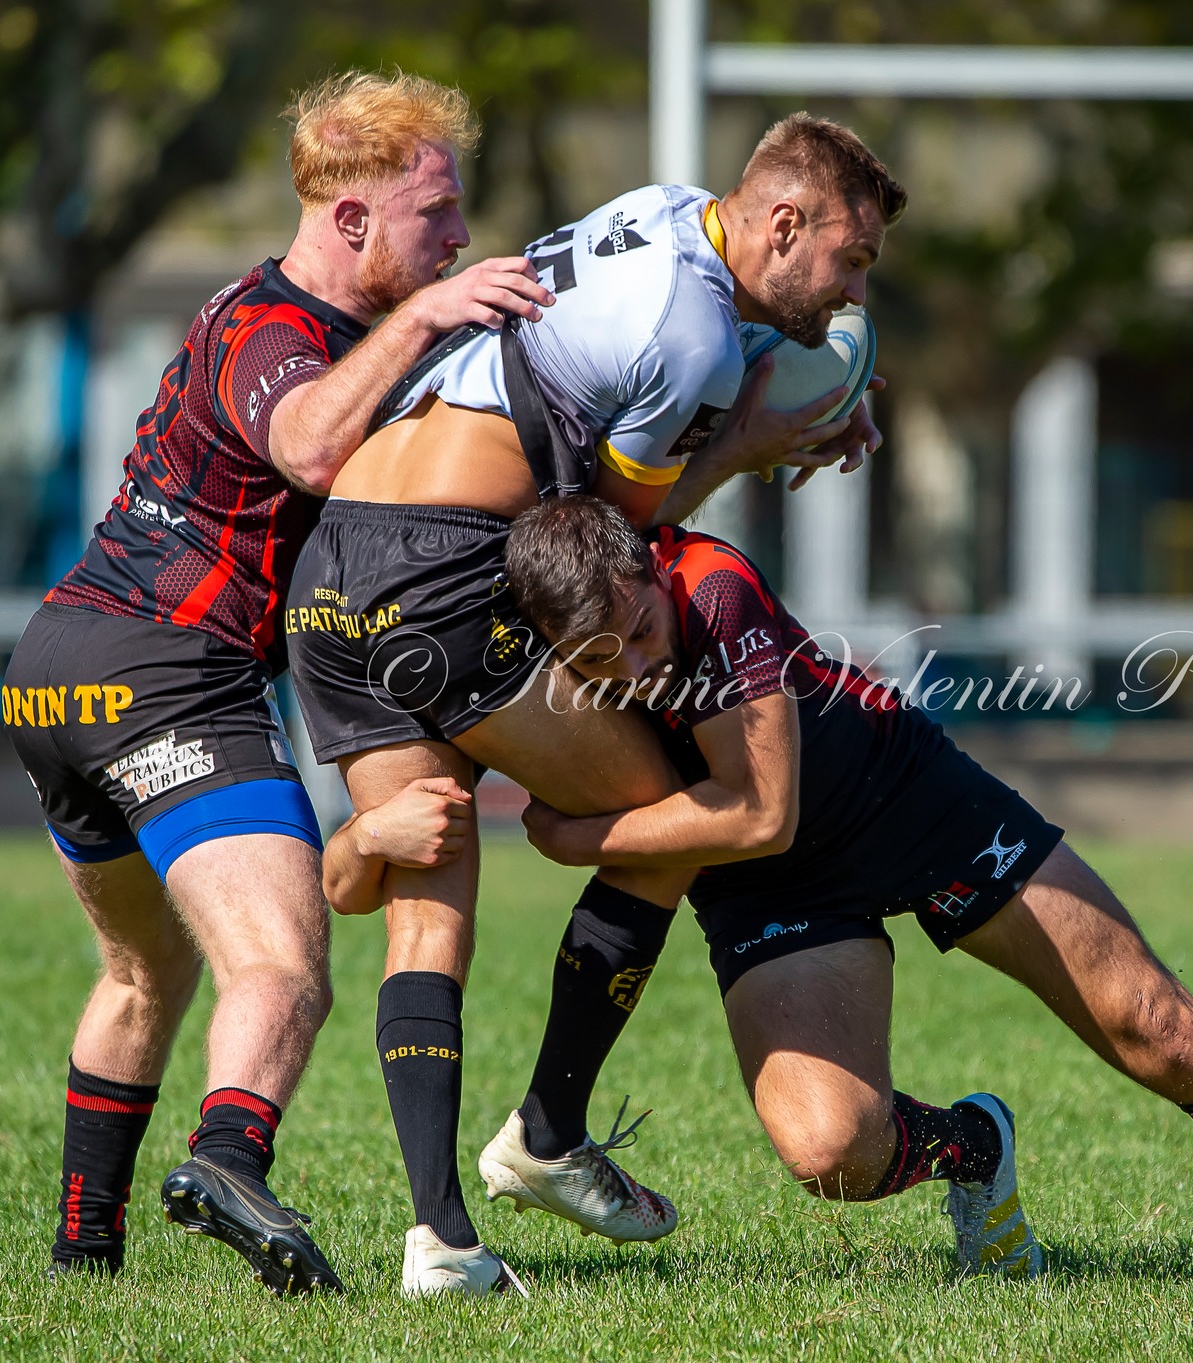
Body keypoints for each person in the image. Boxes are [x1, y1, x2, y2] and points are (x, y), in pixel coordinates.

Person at [473, 495, 1193, 1296]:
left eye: (645, 633)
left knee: (1160, 1030)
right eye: (606, 664)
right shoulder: (554, 635)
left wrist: (575, 835)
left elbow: (760, 812)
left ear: (649, 567)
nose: (643, 669)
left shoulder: (712, 584)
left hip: (903, 799)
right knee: (830, 1152)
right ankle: (977, 1146)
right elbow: (758, 844)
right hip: (768, 885)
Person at [291, 113, 893, 1298]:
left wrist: (757, 406)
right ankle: (549, 1134)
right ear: (783, 225)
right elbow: (620, 539)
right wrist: (758, 442)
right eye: (851, 259)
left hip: (334, 569)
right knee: (675, 821)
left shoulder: (661, 210)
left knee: (429, 898)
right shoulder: (695, 340)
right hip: (443, 572)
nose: (852, 286)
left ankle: (441, 1245)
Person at [2, 71, 552, 1293]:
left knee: (147, 973)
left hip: (58, 679)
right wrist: (428, 319)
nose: (459, 238)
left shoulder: (329, 328)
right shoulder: (272, 326)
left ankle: (83, 1256)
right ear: (351, 220)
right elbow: (307, 440)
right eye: (437, 214)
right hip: (162, 672)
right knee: (282, 964)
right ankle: (229, 1159)